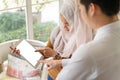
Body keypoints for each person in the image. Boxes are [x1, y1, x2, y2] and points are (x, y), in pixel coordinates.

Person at [55, 0, 120, 80]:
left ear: (92, 8)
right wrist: (61, 62)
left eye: (80, 9)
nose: (81, 15)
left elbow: (89, 59)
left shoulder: (89, 51)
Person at [37, 0, 93, 80]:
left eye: (67, 23)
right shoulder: (57, 32)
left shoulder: (85, 40)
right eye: (62, 22)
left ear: (77, 22)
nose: (63, 27)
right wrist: (23, 53)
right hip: (52, 75)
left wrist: (55, 55)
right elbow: (45, 51)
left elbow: (77, 66)